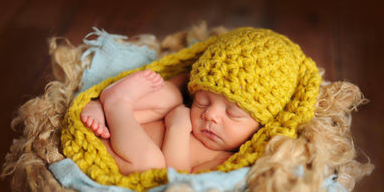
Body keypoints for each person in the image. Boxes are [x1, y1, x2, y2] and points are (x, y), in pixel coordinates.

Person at [81, 69, 260, 174]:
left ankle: (117, 105)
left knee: (151, 165)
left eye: (232, 113)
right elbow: (183, 75)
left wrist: (178, 128)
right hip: (114, 127)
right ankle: (103, 107)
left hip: (116, 154)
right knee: (172, 95)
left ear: (260, 126)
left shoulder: (229, 161)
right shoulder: (191, 111)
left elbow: (177, 177)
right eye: (202, 102)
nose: (209, 114)